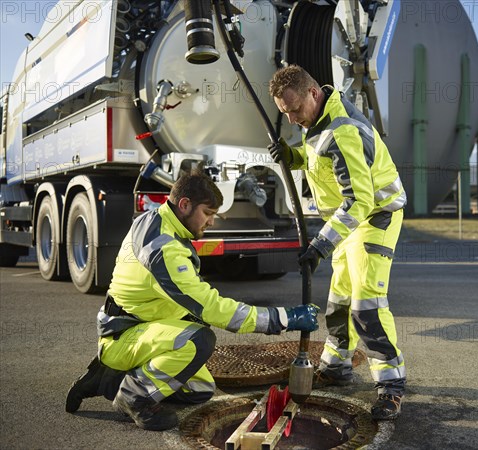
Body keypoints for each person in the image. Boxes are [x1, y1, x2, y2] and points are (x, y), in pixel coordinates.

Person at [65, 169, 319, 431]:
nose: (211, 222)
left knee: (200, 389)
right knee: (199, 339)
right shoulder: (163, 248)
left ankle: (109, 377)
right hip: (125, 335)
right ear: (184, 205)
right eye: (207, 214)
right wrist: (284, 318)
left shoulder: (155, 220)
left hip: (139, 327)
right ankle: (133, 395)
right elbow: (210, 306)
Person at [268, 65, 407, 420]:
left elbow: (359, 200)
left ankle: (390, 386)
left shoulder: (341, 130)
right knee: (339, 301)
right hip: (348, 222)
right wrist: (292, 156)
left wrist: (320, 245)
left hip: (374, 216)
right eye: (286, 114)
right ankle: (335, 366)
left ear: (313, 93)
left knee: (366, 305)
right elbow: (320, 161)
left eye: (296, 109)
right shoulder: (317, 122)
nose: (294, 119)